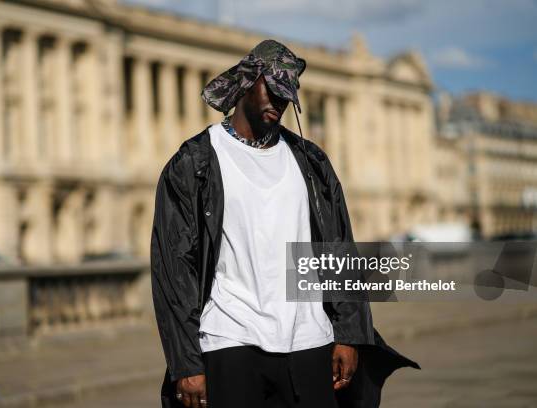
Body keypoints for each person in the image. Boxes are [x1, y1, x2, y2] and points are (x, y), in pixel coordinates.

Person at [150, 39, 418, 408]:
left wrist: (349, 334)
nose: (279, 102)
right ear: (246, 81)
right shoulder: (194, 162)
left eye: (287, 95)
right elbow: (173, 268)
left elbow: (338, 248)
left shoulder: (310, 162)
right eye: (272, 90)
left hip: (310, 339)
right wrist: (185, 363)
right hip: (229, 339)